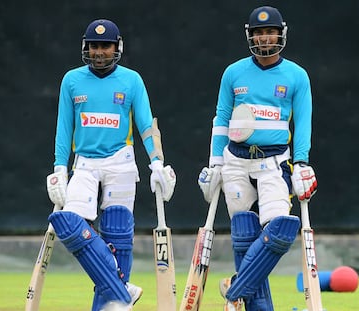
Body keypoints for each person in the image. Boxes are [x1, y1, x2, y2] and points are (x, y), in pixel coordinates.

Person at [45, 19, 176, 311]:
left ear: (117, 48)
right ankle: (121, 290)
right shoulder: (72, 80)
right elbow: (64, 128)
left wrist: (157, 162)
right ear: (85, 47)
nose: (100, 51)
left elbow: (146, 124)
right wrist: (59, 168)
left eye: (105, 46)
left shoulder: (131, 80)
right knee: (68, 224)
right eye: (94, 46)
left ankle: (110, 302)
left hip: (121, 162)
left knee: (118, 235)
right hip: (85, 164)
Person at [197, 6, 317, 311]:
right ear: (251, 36)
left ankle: (234, 289)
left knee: (280, 229)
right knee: (244, 236)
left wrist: (301, 162)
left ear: (281, 34)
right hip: (235, 161)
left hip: (275, 163)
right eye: (259, 32)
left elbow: (302, 122)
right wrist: (215, 163)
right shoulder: (234, 72)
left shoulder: (296, 75)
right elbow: (222, 118)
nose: (265, 38)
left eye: (270, 32)